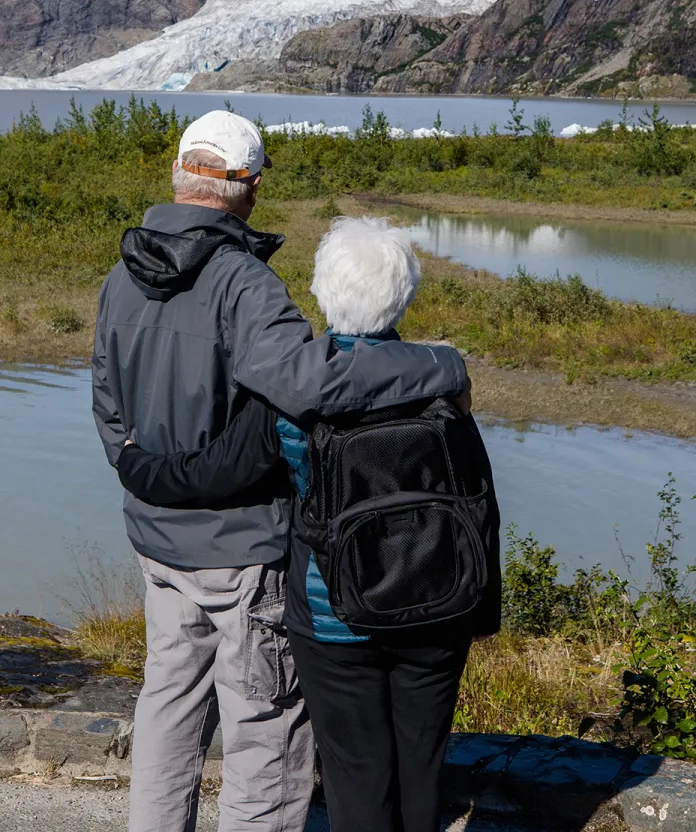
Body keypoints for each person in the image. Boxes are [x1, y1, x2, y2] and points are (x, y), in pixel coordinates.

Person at [91, 111, 471, 832]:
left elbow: (109, 412)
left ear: (178, 174)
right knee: (265, 729)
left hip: (156, 545)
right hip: (241, 551)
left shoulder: (120, 276)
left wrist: (147, 480)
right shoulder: (244, 282)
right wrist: (439, 362)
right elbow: (310, 385)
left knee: (167, 706)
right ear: (251, 187)